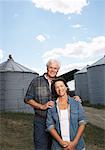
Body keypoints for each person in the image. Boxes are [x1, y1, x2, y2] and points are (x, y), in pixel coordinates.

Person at [24, 59, 81, 150]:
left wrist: (74, 97)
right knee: (41, 146)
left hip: (57, 122)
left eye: (55, 68)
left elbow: (66, 93)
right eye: (51, 67)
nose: (53, 70)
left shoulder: (59, 81)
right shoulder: (36, 81)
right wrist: (42, 106)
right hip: (41, 121)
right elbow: (27, 99)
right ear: (47, 68)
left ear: (58, 70)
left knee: (56, 146)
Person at [46, 77, 87, 150]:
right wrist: (61, 142)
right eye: (57, 87)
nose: (59, 89)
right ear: (55, 90)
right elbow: (50, 126)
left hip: (77, 144)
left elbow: (82, 122)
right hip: (58, 146)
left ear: (66, 87)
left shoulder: (76, 103)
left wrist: (74, 142)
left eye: (61, 86)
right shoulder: (52, 106)